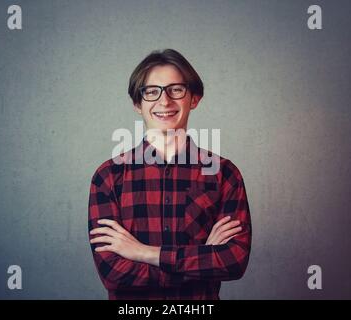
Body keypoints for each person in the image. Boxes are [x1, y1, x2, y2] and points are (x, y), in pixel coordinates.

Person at [88, 49, 252, 300]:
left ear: (194, 98)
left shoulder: (224, 174)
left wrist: (144, 253)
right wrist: (203, 257)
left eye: (176, 89)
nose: (164, 102)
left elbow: (233, 261)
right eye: (151, 91)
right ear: (137, 104)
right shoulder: (108, 177)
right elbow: (112, 272)